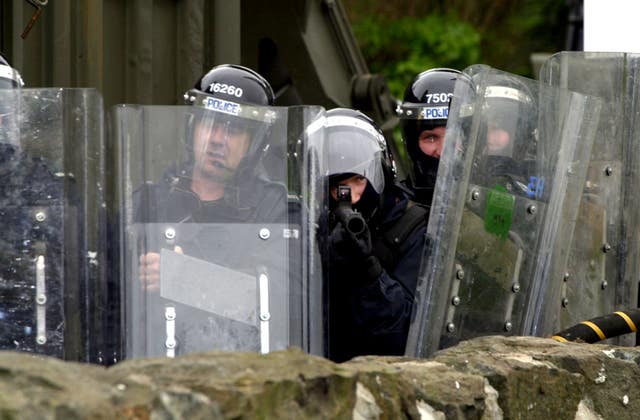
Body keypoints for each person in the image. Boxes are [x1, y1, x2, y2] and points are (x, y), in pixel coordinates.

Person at [136, 64, 287, 290]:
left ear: (254, 144)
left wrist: (187, 277)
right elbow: (115, 299)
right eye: (209, 123)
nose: (218, 139)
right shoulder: (147, 202)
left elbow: (284, 298)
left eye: (234, 129)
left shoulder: (276, 209)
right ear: (192, 127)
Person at [309, 108, 428, 362]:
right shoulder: (308, 227)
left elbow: (405, 336)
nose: (348, 197)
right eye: (337, 187)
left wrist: (367, 271)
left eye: (356, 181)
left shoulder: (413, 227)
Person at [397, 68, 470, 207]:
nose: (443, 151)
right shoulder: (394, 210)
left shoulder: (493, 201)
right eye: (431, 138)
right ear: (412, 144)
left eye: (455, 136)